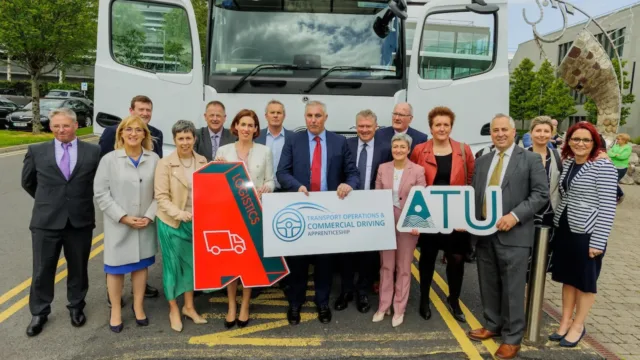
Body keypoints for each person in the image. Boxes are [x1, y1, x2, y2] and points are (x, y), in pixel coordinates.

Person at [467, 114, 548, 360]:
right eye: (495, 130)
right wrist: (465, 220)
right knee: (488, 282)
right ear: (490, 134)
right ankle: (492, 324)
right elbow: (473, 194)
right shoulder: (483, 161)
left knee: (513, 288)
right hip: (485, 234)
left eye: (504, 129)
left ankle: (512, 338)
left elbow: (540, 194)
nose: (500, 134)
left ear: (514, 132)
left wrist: (514, 216)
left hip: (514, 234)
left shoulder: (531, 159)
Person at [276, 100, 359, 325]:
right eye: (310, 116)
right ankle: (295, 302)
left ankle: (322, 302)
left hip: (327, 212)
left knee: (325, 262)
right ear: (305, 118)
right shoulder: (293, 141)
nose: (313, 120)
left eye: (318, 116)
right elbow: (282, 173)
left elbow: (352, 173)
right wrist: (296, 186)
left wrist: (348, 185)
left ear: (325, 117)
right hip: (301, 209)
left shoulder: (339, 142)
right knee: (298, 261)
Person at [21, 108, 101, 337]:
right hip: (46, 222)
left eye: (65, 125)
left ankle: (76, 306)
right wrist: (49, 201)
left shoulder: (93, 151)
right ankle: (39, 312)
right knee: (42, 269)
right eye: (56, 126)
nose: (60, 130)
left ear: (76, 125)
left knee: (78, 268)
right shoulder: (37, 150)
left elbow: (99, 183)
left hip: (80, 221)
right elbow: (28, 182)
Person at [549, 122, 617, 347]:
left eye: (586, 140)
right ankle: (565, 321)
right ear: (568, 141)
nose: (580, 143)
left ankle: (578, 325)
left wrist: (598, 241)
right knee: (568, 279)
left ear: (594, 143)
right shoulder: (568, 163)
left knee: (586, 282)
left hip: (588, 233)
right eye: (575, 139)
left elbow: (608, 207)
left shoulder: (604, 167)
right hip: (566, 228)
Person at [94, 115, 159, 333]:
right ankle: (115, 311)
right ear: (121, 133)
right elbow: (101, 194)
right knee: (115, 269)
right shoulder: (109, 160)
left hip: (144, 223)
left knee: (140, 266)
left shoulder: (154, 159)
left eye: (138, 130)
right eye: (128, 129)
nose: (133, 133)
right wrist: (122, 217)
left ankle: (138, 307)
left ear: (145, 134)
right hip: (119, 224)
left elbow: (160, 193)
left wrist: (149, 216)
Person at [410, 106, 474, 323]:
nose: (442, 128)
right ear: (431, 127)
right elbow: (413, 180)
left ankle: (454, 299)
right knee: (427, 258)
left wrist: (466, 215)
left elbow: (470, 181)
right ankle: (424, 299)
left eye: (446, 124)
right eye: (438, 124)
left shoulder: (463, 150)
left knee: (456, 259)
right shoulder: (419, 150)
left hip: (456, 214)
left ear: (451, 126)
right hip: (429, 213)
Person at [214, 109, 275, 328]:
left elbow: (271, 180)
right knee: (231, 261)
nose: (247, 129)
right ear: (236, 127)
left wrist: (266, 188)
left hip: (253, 212)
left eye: (251, 125)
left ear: (256, 129)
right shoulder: (223, 151)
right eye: (243, 124)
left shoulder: (265, 151)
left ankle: (245, 304)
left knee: (249, 263)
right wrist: (216, 169)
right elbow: (214, 185)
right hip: (229, 213)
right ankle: (231, 305)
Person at [154, 120, 208, 332]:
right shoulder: (165, 164)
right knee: (172, 268)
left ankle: (189, 307)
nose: (185, 142)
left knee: (191, 267)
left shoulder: (203, 161)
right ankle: (173, 309)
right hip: (173, 223)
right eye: (180, 138)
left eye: (188, 137)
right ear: (174, 139)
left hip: (196, 223)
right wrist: (180, 214)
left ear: (194, 139)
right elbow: (161, 197)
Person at [336, 110, 391, 314]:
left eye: (369, 126)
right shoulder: (346, 145)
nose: (365, 130)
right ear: (355, 126)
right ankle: (346, 291)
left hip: (372, 208)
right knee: (346, 253)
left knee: (368, 255)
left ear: (376, 127)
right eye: (361, 126)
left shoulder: (386, 149)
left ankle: (362, 292)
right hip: (347, 206)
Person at [372, 133, 426, 327]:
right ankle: (383, 305)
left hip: (408, 224)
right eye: (395, 147)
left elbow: (421, 199)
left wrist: (417, 224)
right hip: (386, 222)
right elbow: (377, 196)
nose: (398, 150)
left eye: (402, 147)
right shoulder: (383, 168)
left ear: (408, 149)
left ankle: (399, 308)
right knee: (386, 266)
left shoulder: (418, 170)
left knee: (403, 268)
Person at [525, 116, 563, 276]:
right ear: (531, 133)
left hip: (549, 215)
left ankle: (535, 296)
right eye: (538, 130)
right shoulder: (521, 155)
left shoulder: (557, 156)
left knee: (541, 261)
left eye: (546, 131)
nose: (542, 134)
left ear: (552, 133)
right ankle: (523, 296)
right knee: (524, 259)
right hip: (525, 215)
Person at [255, 100, 294, 192]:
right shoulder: (256, 137)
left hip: (287, 191)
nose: (275, 115)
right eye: (272, 112)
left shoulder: (293, 138)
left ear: (284, 116)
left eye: (279, 113)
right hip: (262, 191)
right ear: (266, 116)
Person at [607, 133, 632, 203]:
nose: (617, 140)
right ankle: (615, 195)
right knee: (610, 182)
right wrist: (616, 155)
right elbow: (609, 153)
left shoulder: (628, 148)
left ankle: (620, 194)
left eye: (618, 139)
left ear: (624, 140)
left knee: (613, 182)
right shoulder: (616, 146)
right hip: (612, 166)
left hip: (621, 168)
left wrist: (613, 155)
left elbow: (623, 157)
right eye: (617, 139)